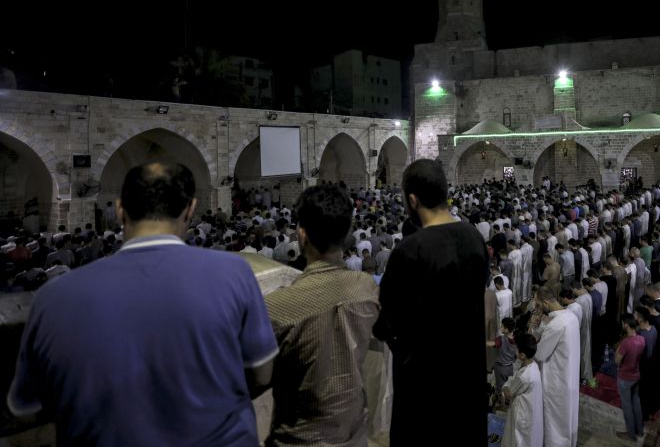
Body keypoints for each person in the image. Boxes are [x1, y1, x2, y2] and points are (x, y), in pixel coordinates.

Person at [6, 162, 278, 446]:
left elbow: (26, 408)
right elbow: (262, 373)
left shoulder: (53, 297)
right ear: (191, 208)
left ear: (121, 209)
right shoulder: (234, 273)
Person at [373, 159, 488, 446]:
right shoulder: (474, 238)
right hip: (467, 379)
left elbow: (386, 323)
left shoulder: (410, 250)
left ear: (412, 200)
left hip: (424, 387)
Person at [265, 184, 379, 446]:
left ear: (302, 235)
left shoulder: (277, 307)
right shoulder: (367, 288)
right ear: (347, 232)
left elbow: (256, 379)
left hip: (300, 439)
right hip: (353, 435)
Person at [530, 287, 580, 447]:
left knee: (555, 422)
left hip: (556, 381)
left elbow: (539, 354)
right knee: (567, 417)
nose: (537, 309)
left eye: (538, 305)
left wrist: (533, 328)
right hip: (569, 376)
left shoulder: (556, 325)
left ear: (546, 302)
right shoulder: (571, 316)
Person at [501, 333, 543, 447]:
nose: (515, 349)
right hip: (530, 409)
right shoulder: (534, 365)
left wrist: (504, 387)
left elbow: (509, 393)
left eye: (517, 348)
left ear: (522, 355)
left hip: (521, 413)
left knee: (517, 439)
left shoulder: (523, 376)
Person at [615, 315, 646, 441]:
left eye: (623, 323)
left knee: (627, 406)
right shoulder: (642, 339)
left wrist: (618, 348)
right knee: (636, 402)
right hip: (636, 375)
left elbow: (617, 361)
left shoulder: (626, 342)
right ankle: (639, 430)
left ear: (626, 324)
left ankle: (631, 434)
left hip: (625, 378)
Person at [488, 317, 518, 407]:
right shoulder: (516, 339)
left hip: (500, 368)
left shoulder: (501, 339)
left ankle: (502, 405)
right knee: (508, 386)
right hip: (510, 367)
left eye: (502, 326)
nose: (500, 328)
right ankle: (508, 403)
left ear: (507, 329)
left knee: (500, 388)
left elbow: (491, 344)